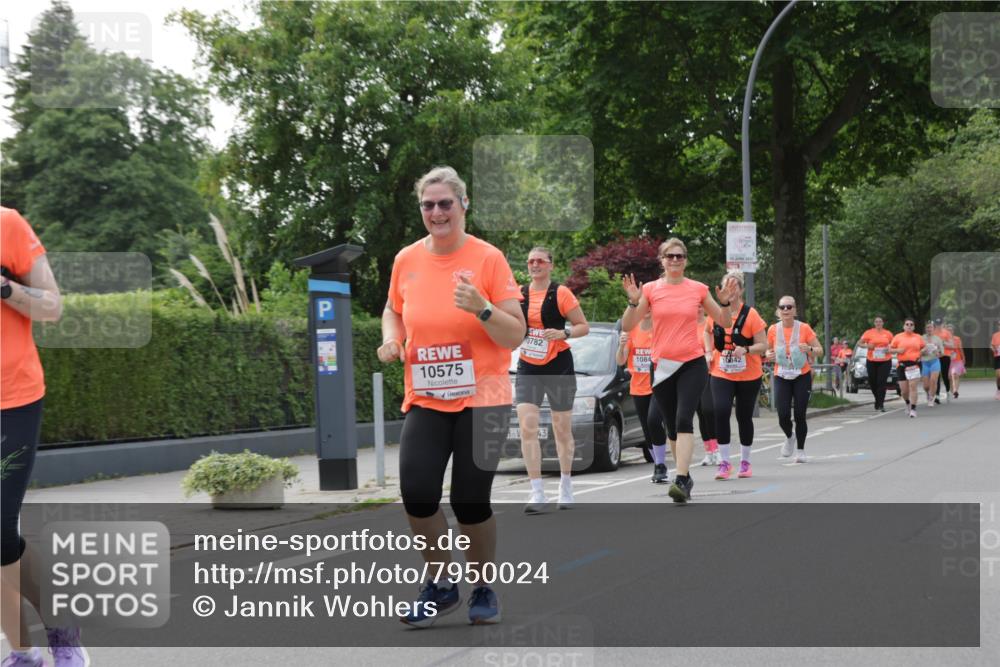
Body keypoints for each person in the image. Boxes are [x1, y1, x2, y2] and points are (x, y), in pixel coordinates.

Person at [378, 167, 526, 627]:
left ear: (464, 205)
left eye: (445, 203)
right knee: (417, 493)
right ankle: (441, 585)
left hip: (484, 396)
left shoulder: (488, 259)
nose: (437, 212)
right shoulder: (406, 259)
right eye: (428, 204)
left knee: (469, 499)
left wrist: (481, 307)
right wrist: (391, 339)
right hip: (425, 394)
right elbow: (392, 309)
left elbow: (515, 334)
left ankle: (482, 586)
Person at [1, 207, 88, 667]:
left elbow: (52, 307)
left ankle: (50, 636)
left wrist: (5, 287)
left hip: (11, 399)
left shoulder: (7, 224)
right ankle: (28, 648)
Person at [621, 238, 740, 504]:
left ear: (685, 260)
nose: (675, 260)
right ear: (662, 260)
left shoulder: (697, 289)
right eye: (670, 256)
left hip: (691, 363)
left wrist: (723, 303)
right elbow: (629, 325)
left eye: (680, 256)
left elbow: (724, 321)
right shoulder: (650, 290)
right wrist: (633, 302)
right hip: (661, 366)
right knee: (671, 426)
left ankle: (682, 478)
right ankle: (683, 476)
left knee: (684, 419)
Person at [516, 246, 589, 512]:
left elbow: (583, 326)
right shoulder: (519, 294)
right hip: (528, 365)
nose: (534, 265)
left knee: (561, 429)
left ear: (550, 265)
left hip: (557, 364)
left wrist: (564, 333)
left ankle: (565, 486)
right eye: (530, 261)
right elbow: (511, 324)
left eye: (540, 261)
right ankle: (537, 492)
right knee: (527, 427)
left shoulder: (561, 293)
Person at [705, 269, 767, 481]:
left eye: (734, 286)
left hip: (748, 374)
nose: (730, 291)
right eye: (726, 286)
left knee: (743, 416)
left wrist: (747, 350)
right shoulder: (715, 312)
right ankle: (724, 462)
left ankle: (745, 461)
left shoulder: (751, 315)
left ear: (740, 290)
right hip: (721, 371)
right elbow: (707, 331)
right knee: (720, 411)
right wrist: (707, 351)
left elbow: (763, 345)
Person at [766, 296, 823, 464]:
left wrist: (810, 348)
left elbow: (820, 350)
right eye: (782, 307)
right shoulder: (773, 330)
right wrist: (768, 354)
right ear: (778, 310)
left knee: (799, 414)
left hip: (801, 375)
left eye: (789, 307)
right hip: (781, 375)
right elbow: (767, 350)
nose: (786, 310)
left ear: (795, 310)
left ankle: (800, 450)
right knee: (783, 414)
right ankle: (790, 436)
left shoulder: (804, 328)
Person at [616, 310, 671, 483]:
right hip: (638, 387)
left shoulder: (661, 329)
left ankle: (661, 464)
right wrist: (621, 345)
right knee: (647, 428)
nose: (646, 311)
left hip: (658, 384)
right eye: (643, 307)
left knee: (654, 421)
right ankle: (658, 465)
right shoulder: (632, 330)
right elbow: (620, 360)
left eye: (649, 307)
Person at [696, 304, 720, 467]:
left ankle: (716, 449)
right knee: (700, 413)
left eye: (700, 306)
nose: (697, 309)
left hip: (710, 372)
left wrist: (708, 354)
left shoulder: (709, 324)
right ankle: (708, 451)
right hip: (692, 375)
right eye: (694, 306)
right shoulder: (686, 326)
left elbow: (716, 346)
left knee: (709, 410)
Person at [889, 318, 926, 418]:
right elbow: (890, 349)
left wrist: (923, 352)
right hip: (902, 365)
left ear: (914, 327)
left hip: (915, 364)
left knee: (913, 386)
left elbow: (924, 348)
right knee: (904, 391)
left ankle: (913, 409)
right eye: (907, 324)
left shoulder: (918, 337)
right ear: (903, 326)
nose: (909, 326)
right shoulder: (898, 337)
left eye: (911, 324)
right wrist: (898, 350)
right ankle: (908, 403)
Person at [859, 316, 894, 411]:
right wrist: (867, 345)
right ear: (874, 323)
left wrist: (889, 348)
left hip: (885, 360)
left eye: (880, 321)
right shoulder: (868, 332)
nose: (878, 323)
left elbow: (894, 344)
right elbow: (859, 343)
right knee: (873, 382)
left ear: (883, 323)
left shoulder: (888, 333)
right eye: (876, 322)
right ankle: (877, 399)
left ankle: (881, 403)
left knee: (881, 382)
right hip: (872, 360)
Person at [920, 321, 944, 408]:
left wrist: (937, 352)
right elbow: (917, 351)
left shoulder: (937, 339)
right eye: (927, 327)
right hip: (925, 362)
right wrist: (922, 351)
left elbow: (942, 353)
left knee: (933, 381)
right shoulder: (921, 338)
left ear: (933, 329)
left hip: (935, 361)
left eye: (930, 327)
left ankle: (931, 398)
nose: (929, 329)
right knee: (926, 385)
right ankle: (928, 393)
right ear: (925, 329)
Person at [934, 319, 953, 403]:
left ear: (943, 324)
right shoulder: (933, 332)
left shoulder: (947, 333)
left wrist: (943, 343)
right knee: (936, 375)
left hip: (945, 356)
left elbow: (952, 345)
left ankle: (948, 391)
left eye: (940, 324)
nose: (938, 326)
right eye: (937, 324)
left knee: (945, 375)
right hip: (935, 356)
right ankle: (937, 395)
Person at [947, 324, 965, 399]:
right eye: (948, 330)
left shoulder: (957, 339)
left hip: (957, 359)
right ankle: (952, 391)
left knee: (956, 375)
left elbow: (960, 348)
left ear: (953, 331)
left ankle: (955, 391)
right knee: (950, 377)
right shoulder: (944, 339)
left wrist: (963, 357)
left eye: (951, 330)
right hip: (948, 360)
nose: (949, 331)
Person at [993, 320, 1000, 400]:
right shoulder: (995, 335)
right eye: (999, 324)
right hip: (998, 356)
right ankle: (998, 389)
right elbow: (992, 345)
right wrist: (994, 349)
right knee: (998, 375)